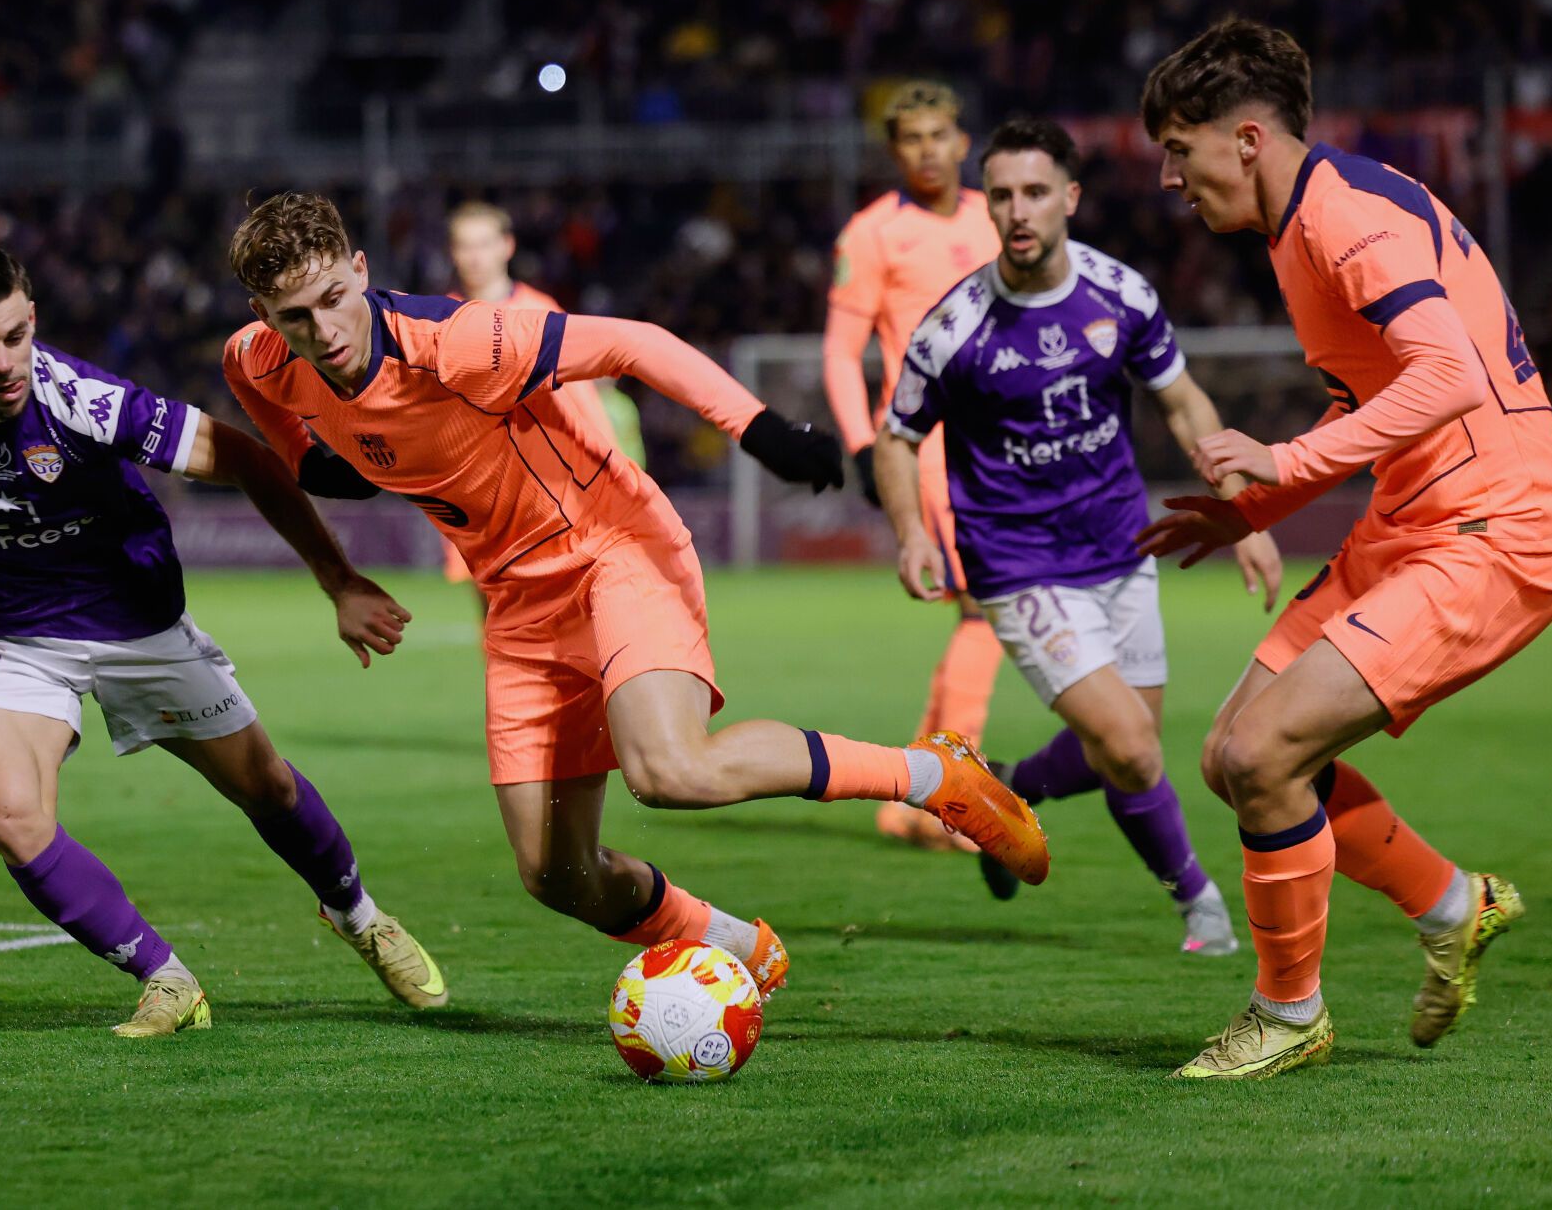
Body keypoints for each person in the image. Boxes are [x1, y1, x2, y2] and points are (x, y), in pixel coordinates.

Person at [220, 192, 1051, 1000]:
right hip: (515, 602)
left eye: (334, 298)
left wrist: (761, 430)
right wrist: (338, 574)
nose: (323, 331)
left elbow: (634, 343)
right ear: (263, 311)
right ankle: (733, 944)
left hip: (611, 550)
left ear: (361, 269)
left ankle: (930, 772)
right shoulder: (254, 359)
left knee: (669, 768)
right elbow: (301, 455)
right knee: (556, 874)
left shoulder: (462, 340)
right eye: (295, 316)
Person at [0, 238, 447, 1038]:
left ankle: (359, 915)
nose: (4, 362)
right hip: (11, 637)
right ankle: (166, 979)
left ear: (32, 319)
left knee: (266, 787)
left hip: (138, 624)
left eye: (15, 336)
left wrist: (339, 580)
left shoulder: (85, 402)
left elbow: (247, 459)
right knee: (7, 812)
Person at [1138, 19, 1552, 1077]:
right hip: (1414, 515)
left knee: (1260, 754)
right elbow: (1382, 395)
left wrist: (1284, 463)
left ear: (1244, 138)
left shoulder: (1343, 223)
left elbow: (1445, 379)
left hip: (1494, 525)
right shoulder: (1308, 221)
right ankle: (1448, 900)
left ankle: (1287, 1015)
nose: (1166, 177)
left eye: (1175, 148)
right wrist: (1254, 512)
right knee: (1229, 757)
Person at [874, 117, 1280, 956]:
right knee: (1130, 749)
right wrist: (913, 530)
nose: (1017, 212)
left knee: (1125, 743)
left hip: (1121, 547)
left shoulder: (1119, 294)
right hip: (1018, 564)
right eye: (1001, 196)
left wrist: (1240, 507)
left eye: (1033, 193)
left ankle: (1004, 794)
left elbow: (1184, 400)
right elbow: (898, 435)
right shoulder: (954, 329)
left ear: (1069, 198)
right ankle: (1198, 901)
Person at [824, 81, 1004, 852]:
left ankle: (916, 796)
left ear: (963, 141)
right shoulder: (870, 234)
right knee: (987, 607)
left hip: (1006, 441)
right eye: (911, 138)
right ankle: (955, 797)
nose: (927, 149)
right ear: (893, 150)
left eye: (940, 134)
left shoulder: (996, 215)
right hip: (932, 444)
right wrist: (864, 446)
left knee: (988, 606)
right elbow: (840, 350)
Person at [440, 201, 641, 600]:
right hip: (480, 491)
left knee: (559, 608)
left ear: (507, 247)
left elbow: (580, 400)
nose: (475, 257)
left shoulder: (539, 313)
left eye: (484, 244)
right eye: (466, 246)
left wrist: (611, 473)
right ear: (453, 252)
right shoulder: (440, 319)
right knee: (496, 610)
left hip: (545, 487)